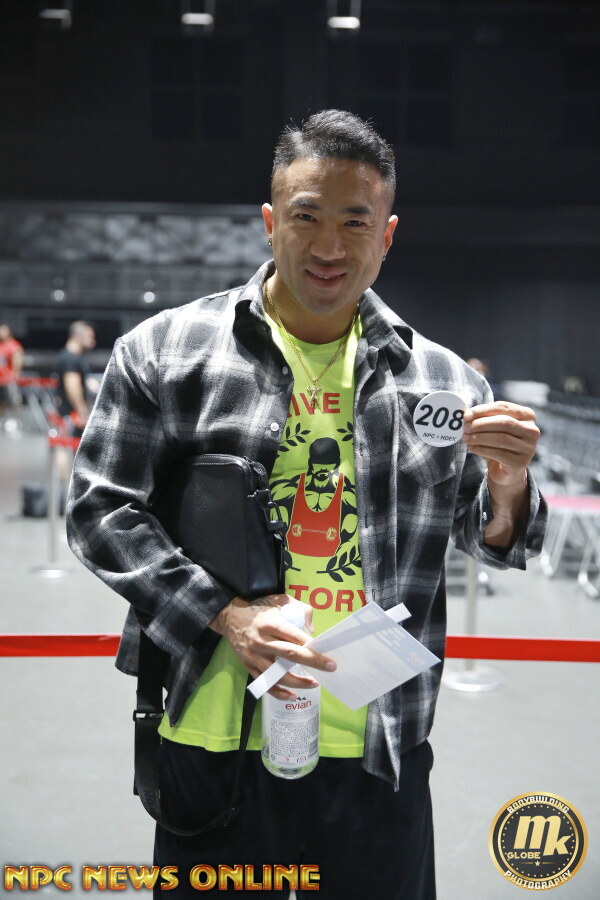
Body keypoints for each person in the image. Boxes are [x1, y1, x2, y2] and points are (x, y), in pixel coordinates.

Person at [67, 110, 546, 899]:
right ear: (269, 222)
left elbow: (497, 541)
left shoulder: (445, 382)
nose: (329, 247)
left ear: (387, 235)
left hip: (377, 742)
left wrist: (508, 484)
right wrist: (227, 616)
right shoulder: (166, 351)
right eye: (307, 217)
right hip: (214, 732)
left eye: (355, 222)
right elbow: (99, 509)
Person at [54, 320, 96, 429]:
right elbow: (72, 386)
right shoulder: (70, 359)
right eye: (90, 337)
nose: (93, 341)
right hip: (72, 418)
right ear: (79, 336)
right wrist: (82, 412)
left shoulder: (75, 358)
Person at [0, 324, 24, 434]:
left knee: (14, 400)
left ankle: (16, 421)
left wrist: (15, 376)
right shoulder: (1, 345)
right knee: (2, 402)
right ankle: (2, 420)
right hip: (1, 380)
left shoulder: (14, 345)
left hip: (9, 380)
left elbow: (17, 362)